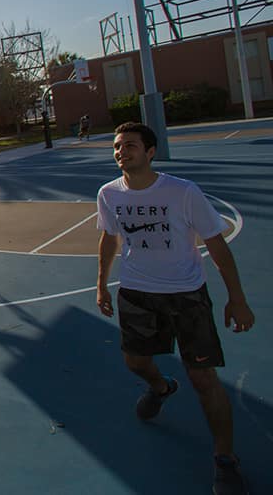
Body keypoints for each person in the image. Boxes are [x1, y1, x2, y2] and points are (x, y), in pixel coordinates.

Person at [96, 122, 254, 495]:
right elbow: (108, 237)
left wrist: (237, 297)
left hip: (186, 295)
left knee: (203, 378)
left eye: (130, 146)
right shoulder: (108, 194)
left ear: (150, 152)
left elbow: (217, 246)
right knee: (134, 361)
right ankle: (161, 386)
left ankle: (225, 458)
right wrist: (102, 285)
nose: (122, 152)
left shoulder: (182, 192)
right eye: (117, 147)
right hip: (136, 293)